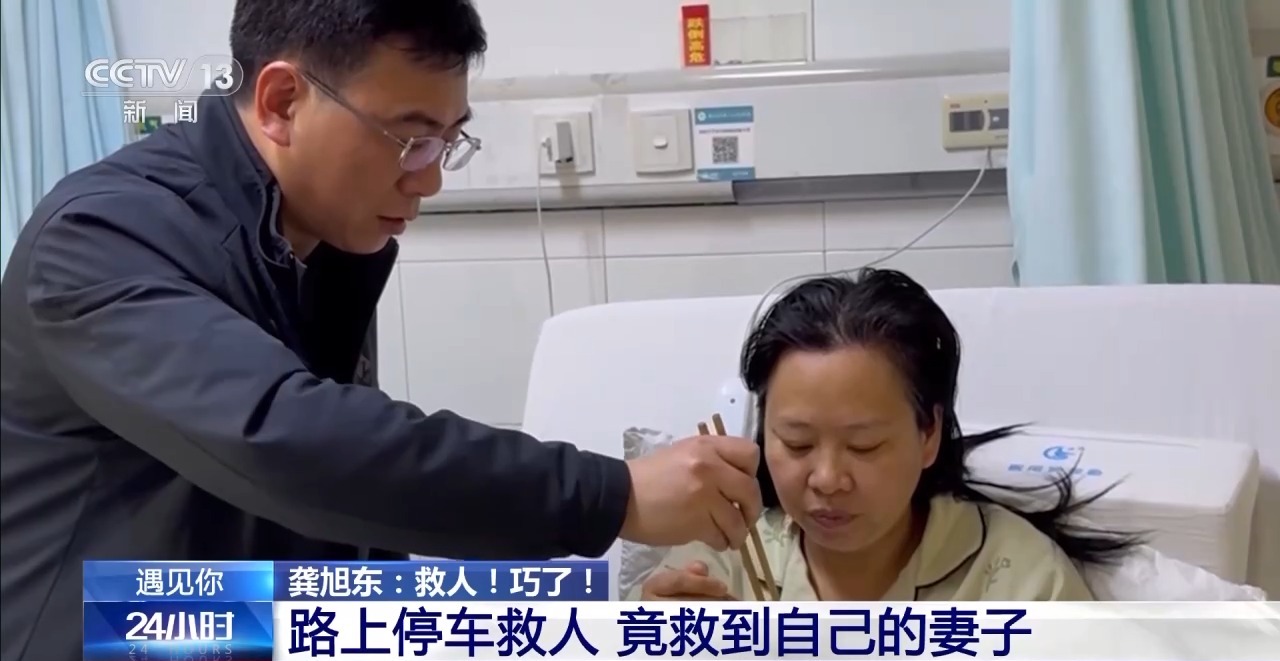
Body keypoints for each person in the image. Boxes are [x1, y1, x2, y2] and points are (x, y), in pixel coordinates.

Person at [0, 1, 761, 658]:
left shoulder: (318, 242)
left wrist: (606, 609)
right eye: (409, 137)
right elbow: (288, 441)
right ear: (281, 101)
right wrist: (609, 495)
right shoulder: (102, 237)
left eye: (447, 140)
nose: (429, 177)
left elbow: (347, 521)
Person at [632, 269, 1140, 602]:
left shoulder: (1016, 582)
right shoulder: (723, 559)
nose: (827, 479)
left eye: (864, 446)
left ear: (929, 434)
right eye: (797, 443)